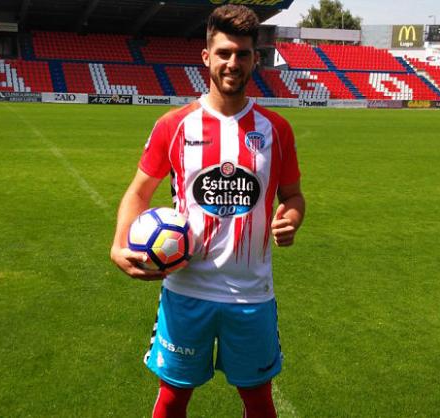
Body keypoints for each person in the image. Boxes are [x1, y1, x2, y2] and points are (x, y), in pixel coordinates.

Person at [110, 5, 305, 417]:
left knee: (258, 398)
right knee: (173, 396)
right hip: (186, 290)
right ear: (207, 57)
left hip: (252, 294)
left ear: (255, 58)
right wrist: (117, 244)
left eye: (242, 53)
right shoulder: (175, 125)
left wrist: (291, 218)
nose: (232, 63)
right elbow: (138, 192)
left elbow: (293, 196)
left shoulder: (277, 129)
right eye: (224, 53)